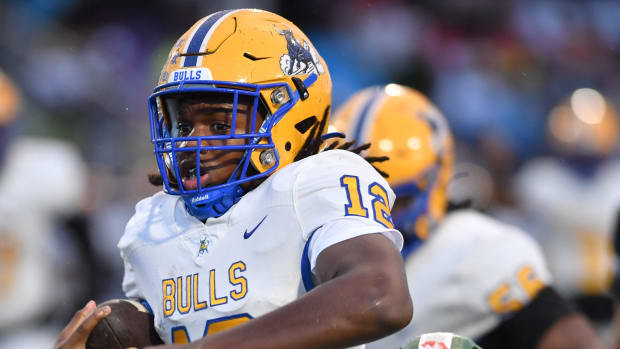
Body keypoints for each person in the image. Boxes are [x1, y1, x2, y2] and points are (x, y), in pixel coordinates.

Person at [56, 9, 412, 349]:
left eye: (220, 124)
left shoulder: (315, 181)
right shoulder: (152, 226)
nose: (191, 142)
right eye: (183, 125)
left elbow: (380, 295)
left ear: (289, 114)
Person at [332, 84, 605, 349]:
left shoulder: (475, 251)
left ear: (434, 184)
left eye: (393, 201)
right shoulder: (306, 244)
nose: (367, 217)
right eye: (347, 199)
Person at [513, 88, 620, 336]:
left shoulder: (613, 180)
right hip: (558, 295)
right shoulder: (540, 179)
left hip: (610, 296)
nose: (584, 138)